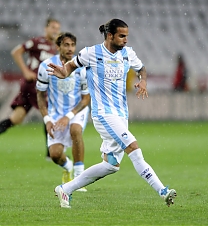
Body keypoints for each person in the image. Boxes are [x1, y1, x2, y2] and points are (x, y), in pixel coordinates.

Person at [47, 18, 177, 208]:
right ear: (110, 36)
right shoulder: (91, 53)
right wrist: (64, 72)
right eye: (121, 36)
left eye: (127, 36)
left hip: (121, 114)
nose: (125, 40)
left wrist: (143, 81)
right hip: (103, 114)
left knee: (111, 165)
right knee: (133, 147)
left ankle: (65, 189)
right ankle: (163, 191)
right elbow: (71, 66)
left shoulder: (128, 53)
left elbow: (142, 69)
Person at [36, 32, 91, 191]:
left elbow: (86, 99)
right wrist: (47, 120)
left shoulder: (81, 67)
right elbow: (40, 95)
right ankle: (68, 167)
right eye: (66, 45)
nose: (70, 48)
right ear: (58, 46)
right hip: (55, 113)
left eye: (72, 45)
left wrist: (68, 117)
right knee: (55, 155)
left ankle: (79, 179)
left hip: (76, 110)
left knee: (75, 130)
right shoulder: (46, 66)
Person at [0, 18, 61, 160]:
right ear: (46, 28)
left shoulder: (55, 48)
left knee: (16, 119)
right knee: (49, 115)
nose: (55, 31)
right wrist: (25, 71)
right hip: (32, 85)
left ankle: (50, 152)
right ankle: (50, 154)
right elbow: (16, 52)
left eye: (57, 28)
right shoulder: (37, 42)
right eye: (53, 27)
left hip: (38, 86)